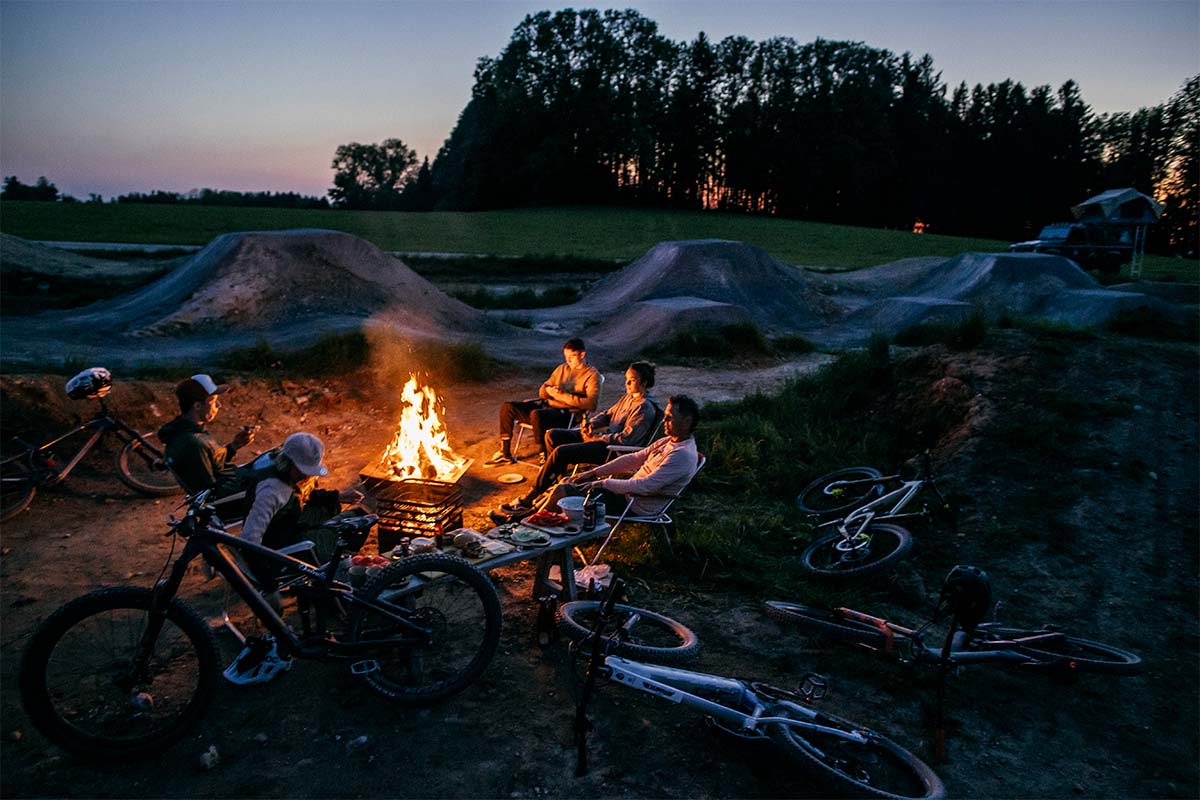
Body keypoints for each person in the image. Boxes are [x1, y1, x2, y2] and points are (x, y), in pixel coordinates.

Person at [223, 431, 331, 686]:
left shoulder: (273, 465)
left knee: (335, 508)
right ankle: (331, 598)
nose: (307, 475)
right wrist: (270, 587)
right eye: (304, 470)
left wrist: (335, 497)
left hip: (284, 532)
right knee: (345, 533)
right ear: (289, 464)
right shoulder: (273, 490)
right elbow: (250, 541)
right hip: (281, 552)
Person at [494, 395, 700, 524]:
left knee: (564, 490)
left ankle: (524, 522)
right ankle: (530, 514)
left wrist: (601, 482)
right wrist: (592, 473)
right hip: (628, 494)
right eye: (665, 415)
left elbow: (644, 487)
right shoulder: (668, 441)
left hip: (634, 505)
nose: (665, 420)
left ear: (688, 421)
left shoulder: (682, 454)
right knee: (568, 481)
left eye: (670, 417)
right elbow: (634, 458)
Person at [497, 361, 659, 517]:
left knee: (562, 452)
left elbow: (627, 440)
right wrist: (591, 424)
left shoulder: (644, 408)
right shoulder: (628, 397)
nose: (627, 384)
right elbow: (607, 415)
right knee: (552, 435)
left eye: (631, 381)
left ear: (644, 383)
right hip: (600, 441)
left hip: (613, 451)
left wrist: (597, 438)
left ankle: (531, 497)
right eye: (626, 380)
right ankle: (558, 486)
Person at [484, 337, 600, 467]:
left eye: (571, 356)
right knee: (508, 407)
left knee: (536, 414)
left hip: (566, 415)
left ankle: (544, 456)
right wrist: (549, 391)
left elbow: (591, 404)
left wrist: (560, 395)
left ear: (582, 354)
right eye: (566, 356)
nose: (568, 360)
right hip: (546, 408)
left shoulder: (591, 375)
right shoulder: (562, 369)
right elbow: (543, 391)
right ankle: (505, 454)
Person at [158, 374, 255, 495]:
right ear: (197, 406)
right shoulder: (193, 444)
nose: (219, 405)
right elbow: (209, 492)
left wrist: (234, 446)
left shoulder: (186, 431)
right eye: (213, 401)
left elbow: (212, 463)